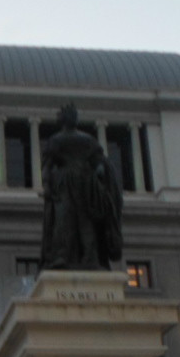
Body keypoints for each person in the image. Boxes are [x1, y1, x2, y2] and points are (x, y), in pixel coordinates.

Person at [40, 103, 123, 271]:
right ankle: (65, 256)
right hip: (76, 182)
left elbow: (99, 163)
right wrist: (47, 185)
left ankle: (85, 257)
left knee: (81, 221)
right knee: (67, 220)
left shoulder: (81, 139)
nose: (72, 118)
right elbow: (47, 166)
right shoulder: (64, 140)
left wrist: (47, 185)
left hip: (79, 183)